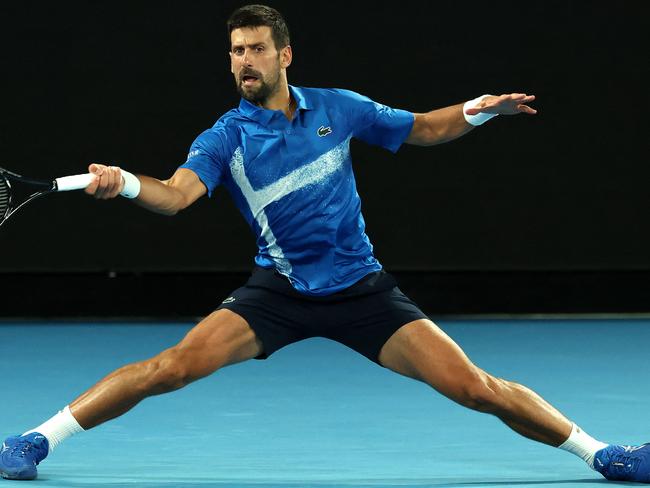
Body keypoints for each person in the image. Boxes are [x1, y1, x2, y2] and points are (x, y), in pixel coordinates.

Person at [1, 4, 648, 483]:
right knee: (171, 368)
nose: (243, 61)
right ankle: (33, 440)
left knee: (475, 387)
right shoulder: (226, 135)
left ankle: (604, 454)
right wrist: (128, 186)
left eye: (254, 49)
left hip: (363, 289)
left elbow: (421, 128)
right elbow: (177, 194)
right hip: (276, 293)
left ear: (285, 55)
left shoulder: (337, 108)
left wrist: (478, 108)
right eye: (234, 51)